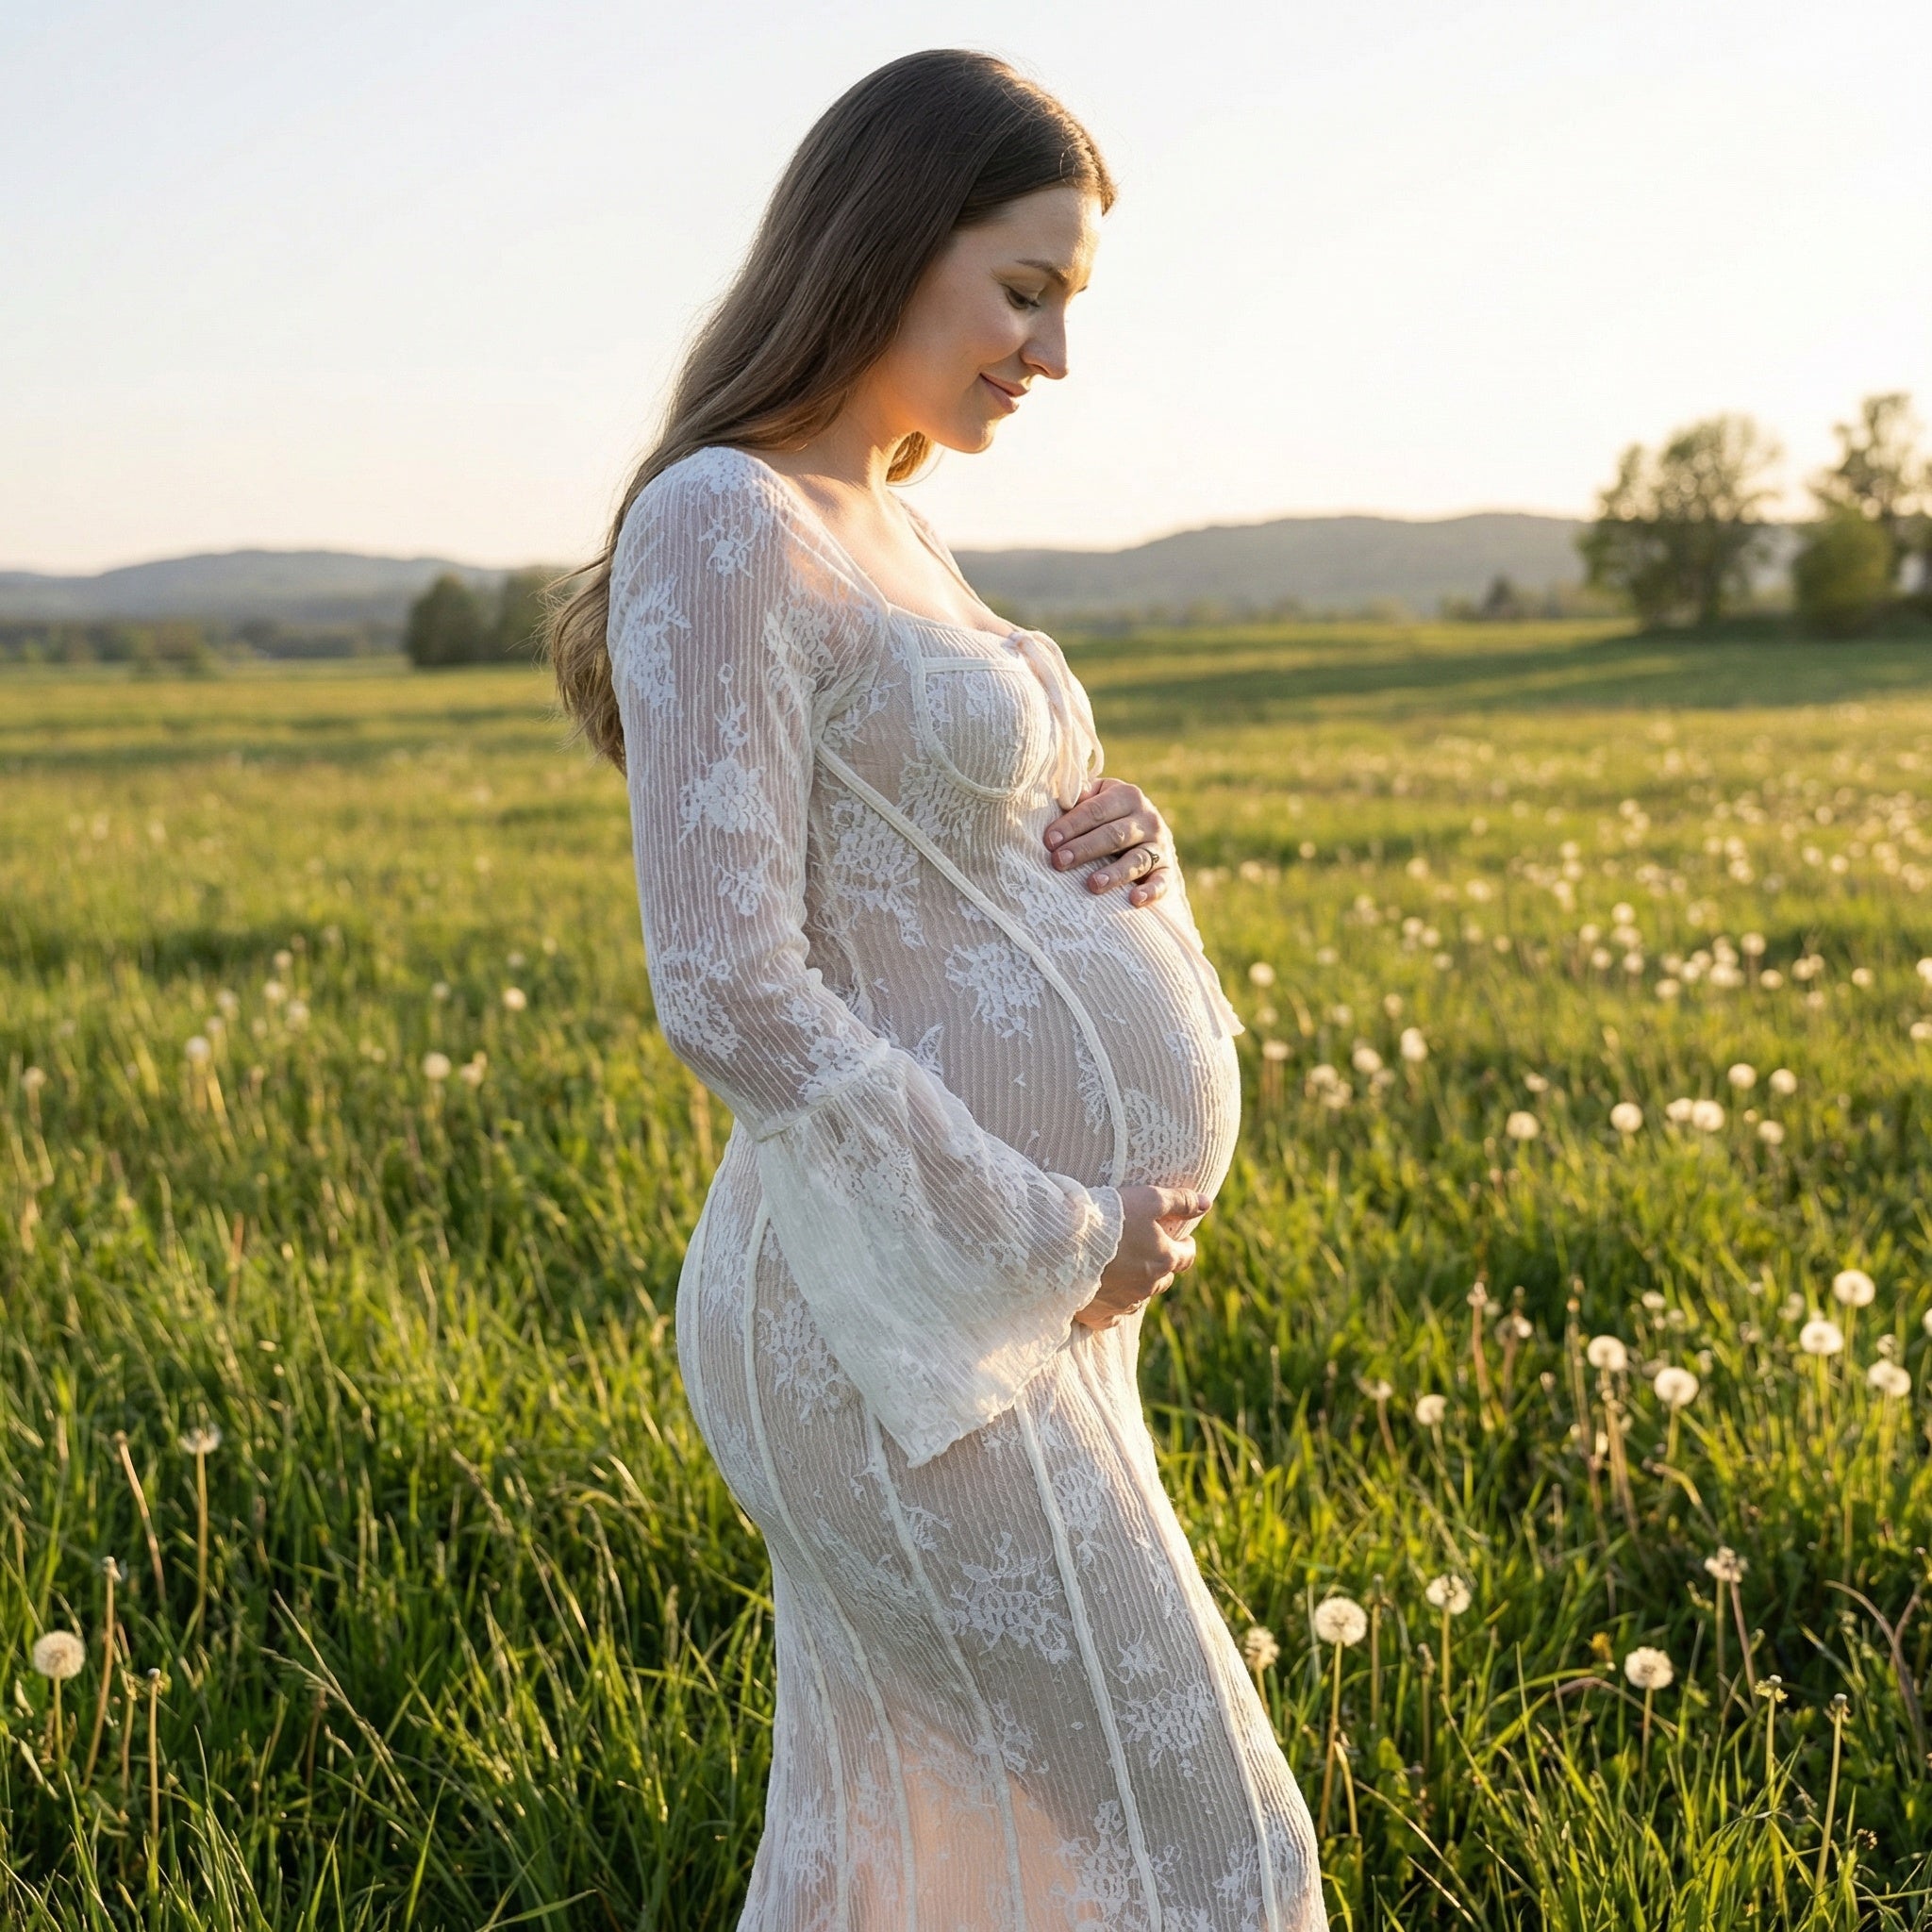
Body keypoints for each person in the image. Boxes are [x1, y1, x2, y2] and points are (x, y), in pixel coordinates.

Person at [547, 47, 1324, 1929]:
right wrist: (1055, 1228)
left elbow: (949, 858)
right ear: (887, 241)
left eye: (1070, 305)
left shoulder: (891, 518)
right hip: (889, 1300)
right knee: (1218, 1855)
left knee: (923, 1856)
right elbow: (728, 989)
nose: (1049, 358)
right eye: (1024, 290)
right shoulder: (725, 517)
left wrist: (1123, 843)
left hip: (1003, 1300)